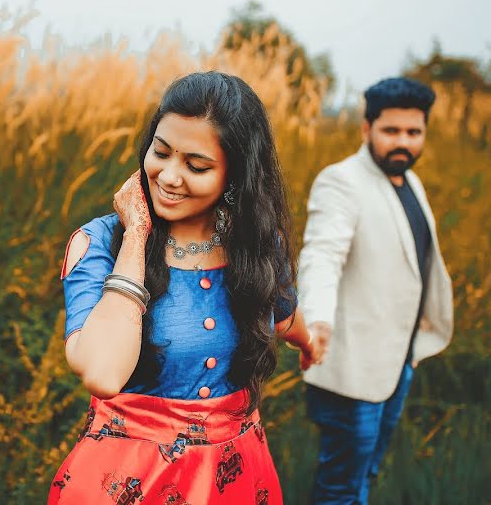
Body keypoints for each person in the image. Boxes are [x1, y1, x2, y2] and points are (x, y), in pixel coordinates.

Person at [48, 71, 319, 504]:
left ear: (235, 176)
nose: (170, 176)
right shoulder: (100, 242)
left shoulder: (258, 244)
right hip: (130, 481)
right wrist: (136, 234)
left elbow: (281, 313)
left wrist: (310, 343)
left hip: (237, 477)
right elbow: (101, 373)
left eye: (196, 166)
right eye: (161, 152)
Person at [298, 77, 454, 504]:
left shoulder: (410, 182)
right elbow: (322, 256)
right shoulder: (341, 182)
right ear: (366, 129)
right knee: (341, 486)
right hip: (350, 369)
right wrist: (318, 320)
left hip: (398, 361)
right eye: (391, 131)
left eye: (413, 132)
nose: (402, 142)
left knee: (365, 473)